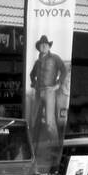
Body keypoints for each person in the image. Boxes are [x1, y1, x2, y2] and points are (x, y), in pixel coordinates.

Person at [29, 35, 66, 163]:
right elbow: (31, 75)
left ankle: (55, 151)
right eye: (41, 44)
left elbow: (64, 70)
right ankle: (33, 151)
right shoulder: (37, 62)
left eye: (45, 44)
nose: (43, 46)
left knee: (50, 123)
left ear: (49, 46)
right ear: (39, 47)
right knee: (34, 120)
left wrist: (58, 84)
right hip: (39, 92)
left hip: (50, 91)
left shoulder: (55, 58)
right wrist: (33, 83)